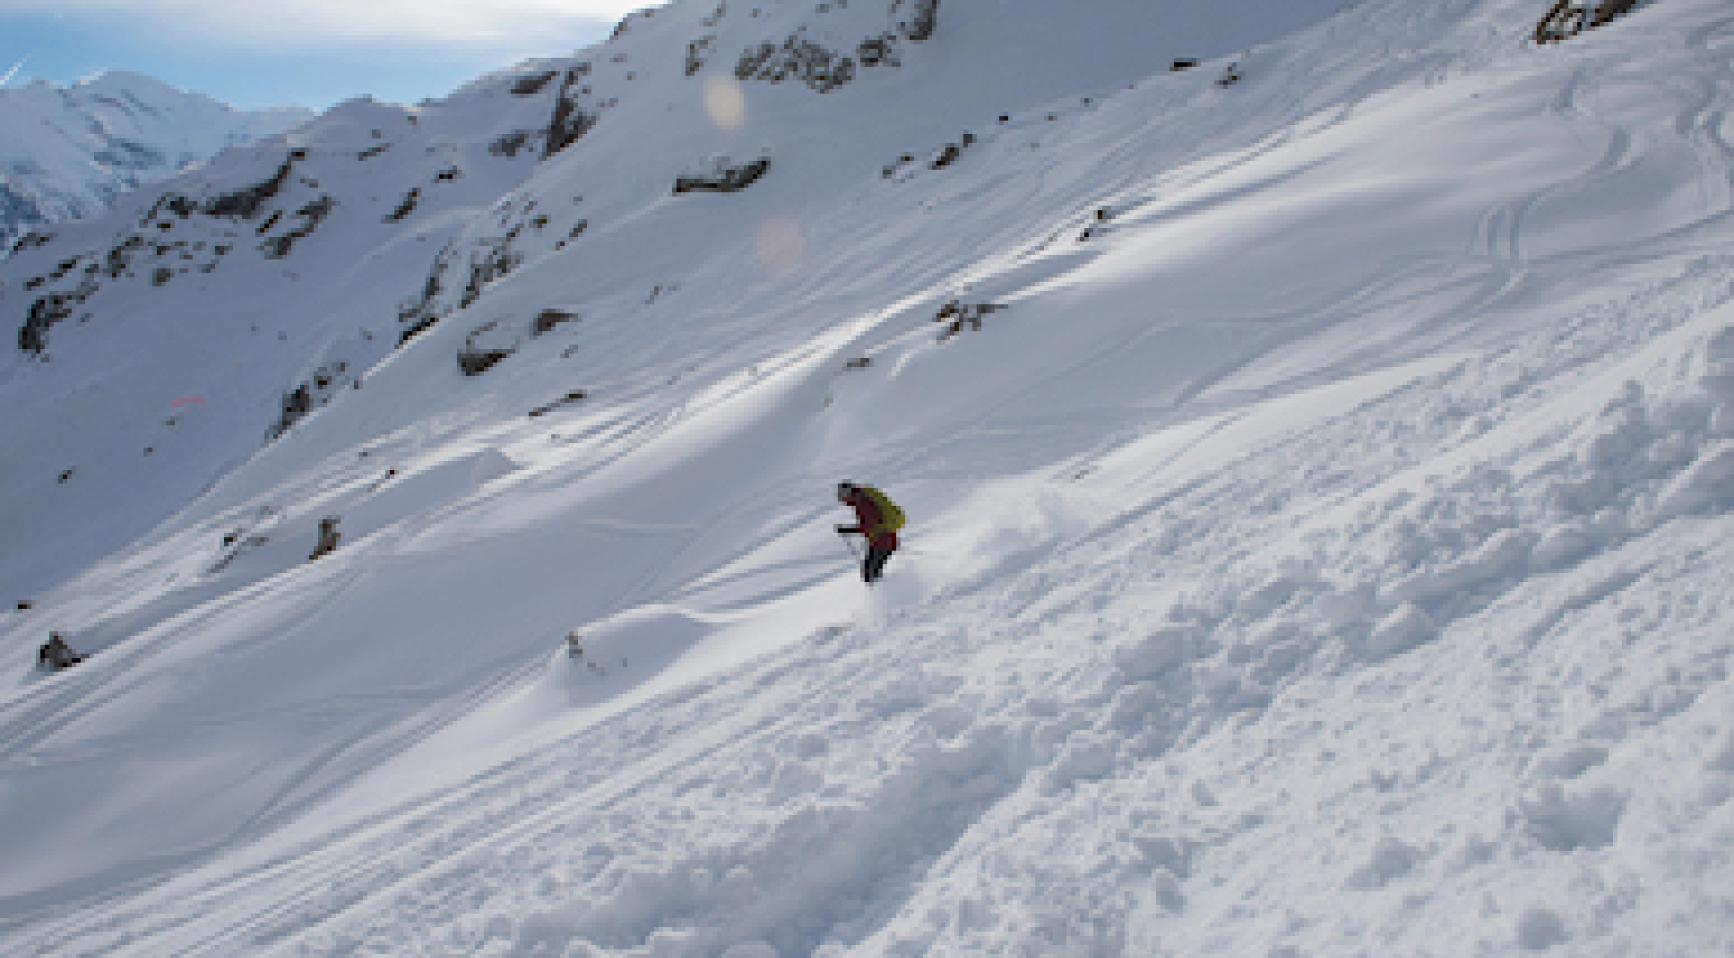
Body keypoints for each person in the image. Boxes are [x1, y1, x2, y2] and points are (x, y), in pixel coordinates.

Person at [835, 481, 905, 583]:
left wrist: (848, 530)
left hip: (882, 541)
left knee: (870, 574)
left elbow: (870, 524)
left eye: (841, 496)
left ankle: (890, 593)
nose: (842, 500)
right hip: (882, 540)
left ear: (847, 494)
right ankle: (887, 591)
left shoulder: (863, 502)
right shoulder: (861, 499)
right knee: (871, 573)